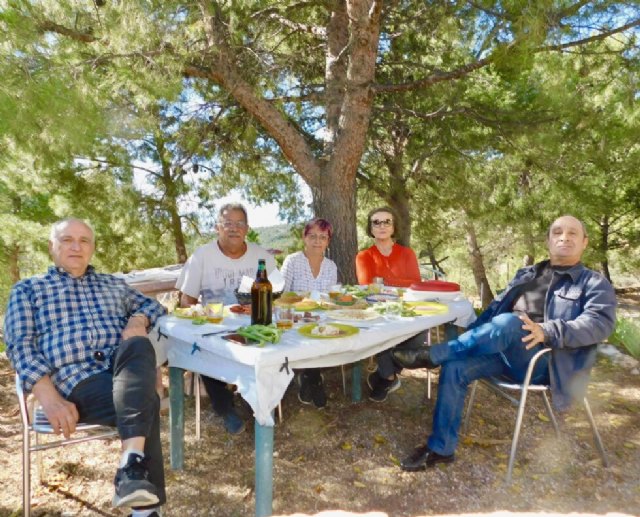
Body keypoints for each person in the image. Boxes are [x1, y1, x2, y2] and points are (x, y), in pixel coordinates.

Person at [391, 215, 617, 472]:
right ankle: (441, 449)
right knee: (455, 366)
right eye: (557, 232)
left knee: (511, 322)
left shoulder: (594, 283)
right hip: (503, 352)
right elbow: (494, 311)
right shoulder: (528, 274)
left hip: (546, 363)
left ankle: (432, 355)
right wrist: (477, 332)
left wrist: (547, 330)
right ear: (548, 240)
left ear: (585, 242)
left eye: (573, 233)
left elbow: (599, 324)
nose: (564, 237)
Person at [5, 219, 167, 516]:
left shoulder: (114, 285)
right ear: (52, 247)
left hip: (124, 367)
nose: (76, 247)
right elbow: (20, 345)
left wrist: (137, 320)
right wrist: (49, 398)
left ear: (92, 248)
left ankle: (130, 467)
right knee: (147, 400)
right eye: (67, 240)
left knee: (139, 345)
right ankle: (145, 508)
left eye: (84, 241)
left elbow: (154, 307)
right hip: (76, 379)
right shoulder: (28, 290)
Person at [176, 203, 276, 434]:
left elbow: (277, 292)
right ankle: (225, 408)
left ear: (247, 229)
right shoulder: (202, 255)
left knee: (271, 348)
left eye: (239, 223)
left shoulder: (261, 256)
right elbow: (186, 301)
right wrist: (199, 322)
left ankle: (257, 400)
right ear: (217, 228)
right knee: (205, 349)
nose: (234, 228)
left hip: (255, 325)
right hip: (215, 327)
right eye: (228, 223)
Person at [355, 206, 423, 402]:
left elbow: (415, 283)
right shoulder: (364, 256)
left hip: (407, 308)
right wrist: (397, 282)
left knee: (417, 338)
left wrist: (383, 281)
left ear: (394, 227)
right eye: (376, 222)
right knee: (382, 331)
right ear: (371, 228)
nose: (382, 226)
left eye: (387, 221)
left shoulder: (407, 253)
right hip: (377, 309)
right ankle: (387, 377)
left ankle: (383, 374)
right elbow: (367, 285)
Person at [281, 218, 338, 408]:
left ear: (328, 241)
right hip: (295, 318)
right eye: (312, 236)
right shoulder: (292, 261)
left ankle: (309, 376)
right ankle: (314, 379)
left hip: (321, 318)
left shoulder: (331, 266)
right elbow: (281, 295)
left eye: (323, 237)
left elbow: (330, 298)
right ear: (304, 238)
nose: (317, 241)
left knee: (325, 331)